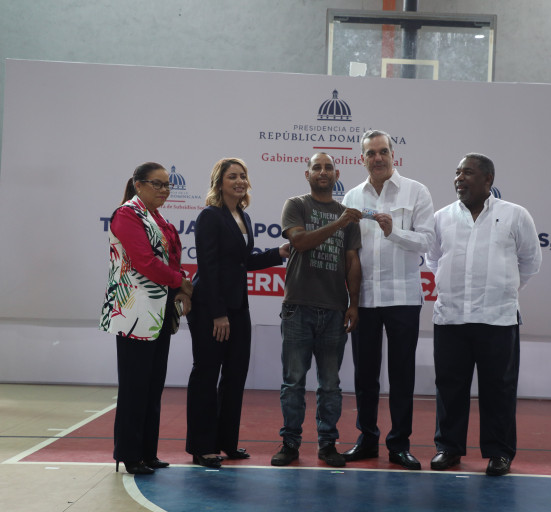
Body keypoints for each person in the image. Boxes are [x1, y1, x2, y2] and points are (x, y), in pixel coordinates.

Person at [426, 153, 541, 476]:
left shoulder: (515, 215)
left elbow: (530, 262)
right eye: (457, 173)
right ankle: (448, 448)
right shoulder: (441, 217)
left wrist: (502, 289)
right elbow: (433, 260)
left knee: (499, 389)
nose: (459, 178)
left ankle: (499, 453)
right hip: (451, 318)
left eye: (468, 173)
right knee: (449, 387)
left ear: (488, 179)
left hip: (498, 319)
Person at [186, 158, 290, 468]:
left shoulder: (243, 216)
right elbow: (208, 267)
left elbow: (242, 262)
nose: (239, 181)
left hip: (237, 307)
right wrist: (218, 313)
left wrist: (278, 253)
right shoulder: (209, 216)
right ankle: (202, 447)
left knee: (234, 376)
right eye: (232, 176)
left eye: (243, 176)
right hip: (211, 308)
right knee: (206, 375)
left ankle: (226, 442)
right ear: (219, 183)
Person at [340, 129, 434, 470]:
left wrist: (394, 232)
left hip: (403, 297)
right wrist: (349, 299)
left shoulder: (416, 191)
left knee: (401, 375)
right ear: (362, 158)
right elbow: (349, 252)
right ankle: (367, 439)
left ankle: (399, 444)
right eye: (371, 153)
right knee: (365, 375)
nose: (377, 158)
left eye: (383, 151)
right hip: (364, 298)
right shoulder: (352, 196)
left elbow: (427, 242)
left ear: (394, 155)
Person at [100, 162, 193, 475]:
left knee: (153, 386)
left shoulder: (157, 218)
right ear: (138, 184)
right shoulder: (127, 214)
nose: (164, 190)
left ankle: (147, 452)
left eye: (167, 185)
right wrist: (180, 282)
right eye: (157, 184)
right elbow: (144, 261)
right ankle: (129, 454)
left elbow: (170, 259)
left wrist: (179, 286)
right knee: (135, 386)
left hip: (158, 310)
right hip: (133, 312)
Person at [270, 152, 362, 468]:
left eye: (328, 168)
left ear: (337, 175)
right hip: (298, 307)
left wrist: (354, 304)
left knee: (330, 385)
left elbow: (352, 260)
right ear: (307, 174)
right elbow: (299, 242)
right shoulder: (296, 205)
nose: (323, 172)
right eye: (317, 167)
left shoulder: (347, 216)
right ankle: (290, 443)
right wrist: (339, 222)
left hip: (334, 310)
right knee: (293, 382)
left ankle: (327, 444)